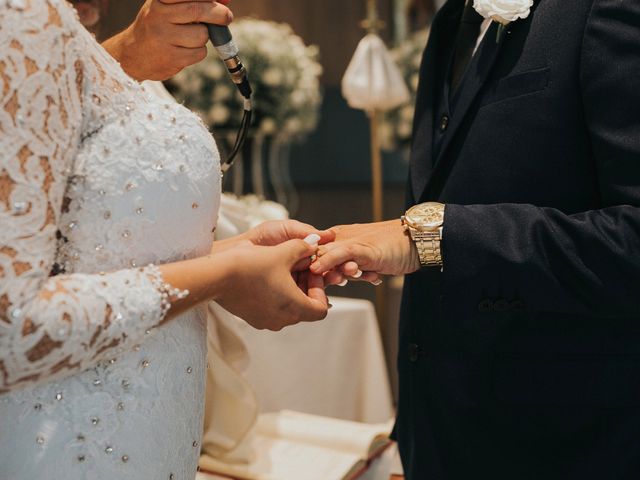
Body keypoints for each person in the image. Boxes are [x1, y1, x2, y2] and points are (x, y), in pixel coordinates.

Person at [0, 0, 340, 478]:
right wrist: (225, 275)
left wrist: (231, 252)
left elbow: (72, 256)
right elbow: (12, 325)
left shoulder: (53, 30)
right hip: (65, 447)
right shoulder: (26, 18)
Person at [312, 0, 640, 478]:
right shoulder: (452, 21)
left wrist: (435, 237)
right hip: (446, 432)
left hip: (565, 443)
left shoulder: (607, 10)